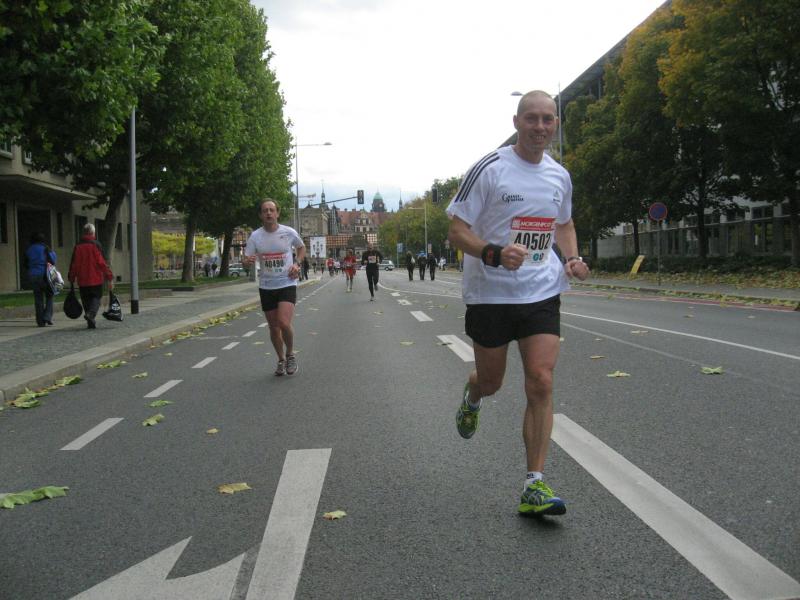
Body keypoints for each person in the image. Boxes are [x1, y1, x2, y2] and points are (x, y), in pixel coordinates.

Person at [446, 90, 590, 517]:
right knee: (492, 382)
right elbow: (456, 231)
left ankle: (534, 484)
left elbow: (564, 223)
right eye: (532, 118)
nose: (540, 127)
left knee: (541, 380)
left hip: (541, 290)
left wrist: (573, 258)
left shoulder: (559, 176)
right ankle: (474, 393)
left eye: (548, 119)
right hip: (490, 294)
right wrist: (493, 252)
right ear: (516, 122)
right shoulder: (490, 168)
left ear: (555, 124)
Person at [242, 199, 305, 376]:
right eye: (265, 211)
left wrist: (297, 264)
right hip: (267, 286)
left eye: (271, 210)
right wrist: (247, 262)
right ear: (261, 215)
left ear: (277, 213)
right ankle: (281, 359)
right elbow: (246, 261)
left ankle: (290, 354)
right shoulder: (255, 236)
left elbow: (301, 248)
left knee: (284, 323)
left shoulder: (288, 232)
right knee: (273, 327)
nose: (269, 213)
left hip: (287, 282)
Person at [68, 223, 114, 329]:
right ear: (93, 233)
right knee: (96, 298)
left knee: (86, 300)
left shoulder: (78, 246)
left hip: (82, 279)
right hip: (95, 278)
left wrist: (71, 277)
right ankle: (91, 314)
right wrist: (109, 276)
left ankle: (90, 322)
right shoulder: (96, 245)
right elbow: (101, 263)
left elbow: (74, 264)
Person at [24, 232, 57, 327]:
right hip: (45, 275)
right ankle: (47, 316)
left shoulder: (29, 249)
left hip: (33, 275)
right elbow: (53, 260)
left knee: (38, 298)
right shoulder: (46, 248)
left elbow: (25, 263)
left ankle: (40, 321)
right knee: (50, 295)